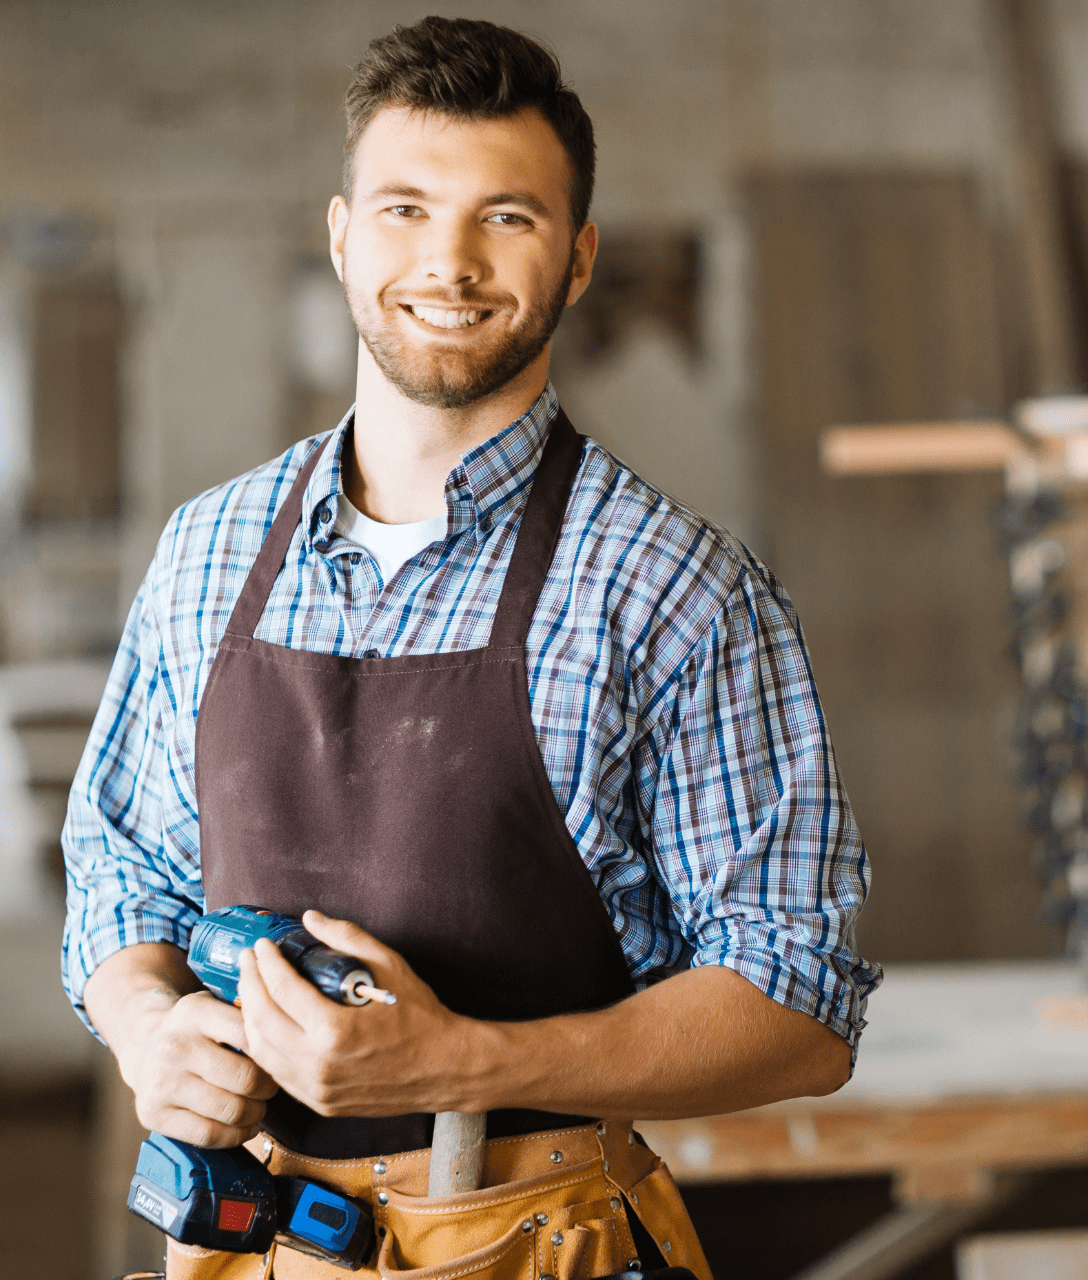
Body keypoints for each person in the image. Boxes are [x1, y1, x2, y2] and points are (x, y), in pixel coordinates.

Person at [62, 15, 881, 1280]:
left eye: (506, 216)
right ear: (340, 236)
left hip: (533, 1238)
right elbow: (122, 865)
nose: (446, 259)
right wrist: (147, 1024)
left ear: (579, 255)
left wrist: (470, 1061)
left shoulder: (673, 588)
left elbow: (797, 999)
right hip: (248, 1236)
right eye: (403, 208)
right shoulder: (208, 550)